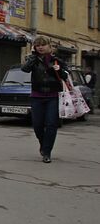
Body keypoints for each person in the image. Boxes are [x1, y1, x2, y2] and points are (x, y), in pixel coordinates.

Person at [21, 36, 68, 164]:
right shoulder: (33, 60)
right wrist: (33, 56)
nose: (40, 47)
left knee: (52, 124)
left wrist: (60, 71)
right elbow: (24, 69)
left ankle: (47, 152)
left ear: (49, 46)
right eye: (37, 45)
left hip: (52, 96)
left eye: (43, 45)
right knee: (37, 125)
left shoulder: (56, 60)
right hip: (37, 96)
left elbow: (66, 76)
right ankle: (43, 144)